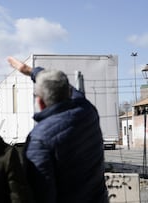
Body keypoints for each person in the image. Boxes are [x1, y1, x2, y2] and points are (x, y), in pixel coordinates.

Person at [7, 56, 108, 203]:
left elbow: (41, 193)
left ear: (40, 102)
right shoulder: (88, 112)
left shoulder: (39, 139)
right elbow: (66, 88)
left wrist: (29, 71)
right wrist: (30, 71)